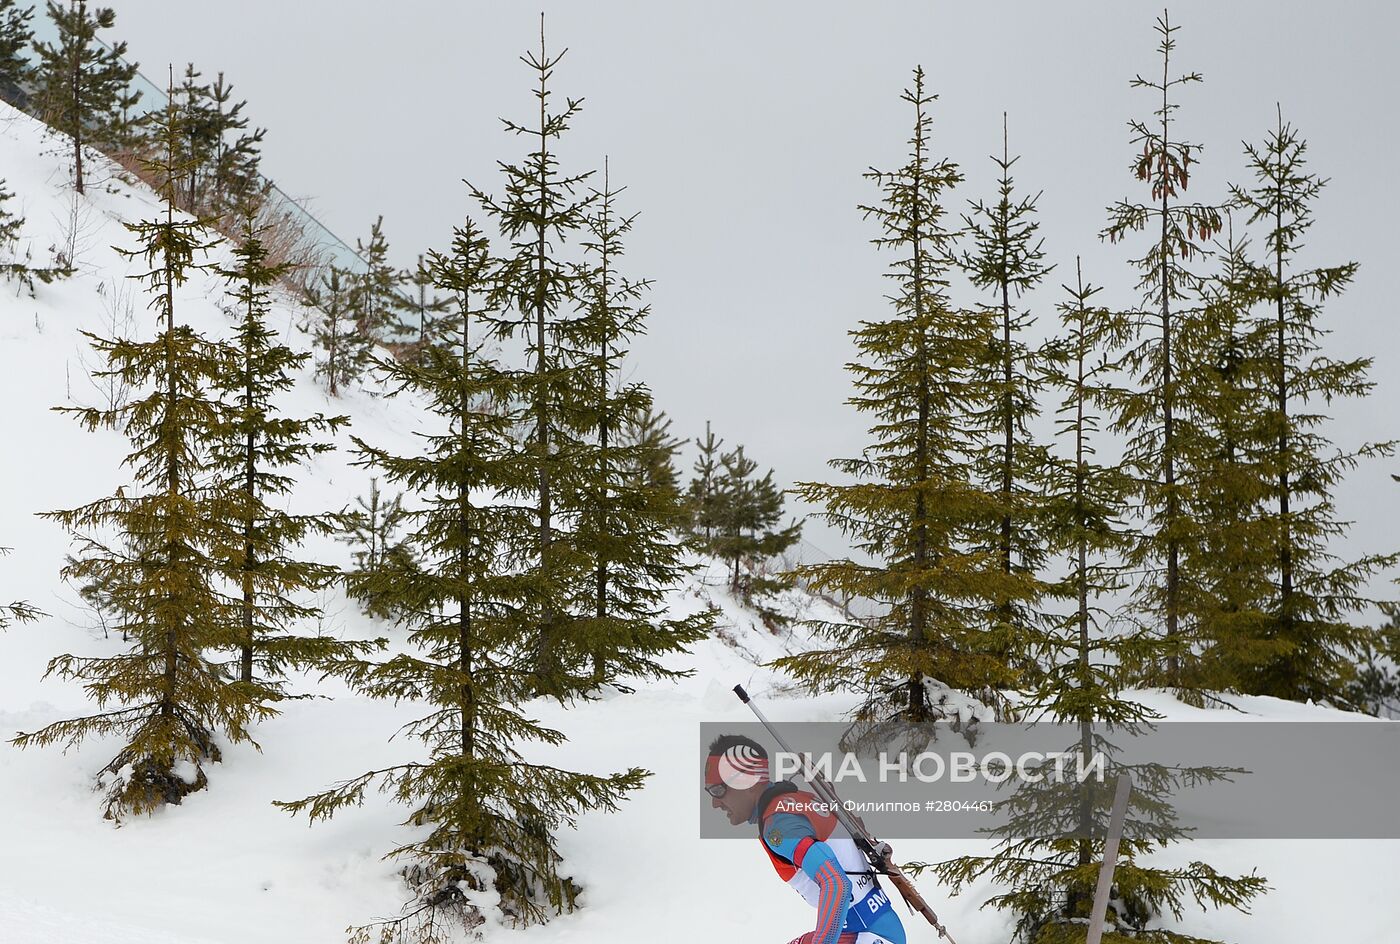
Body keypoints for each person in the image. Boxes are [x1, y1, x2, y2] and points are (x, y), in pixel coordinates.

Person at [705, 734, 906, 944]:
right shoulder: (801, 800)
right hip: (879, 929)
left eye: (718, 791)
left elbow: (836, 884)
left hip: (864, 936)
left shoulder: (779, 825)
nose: (715, 804)